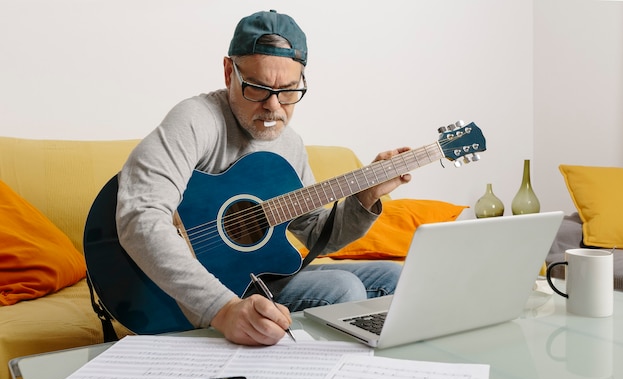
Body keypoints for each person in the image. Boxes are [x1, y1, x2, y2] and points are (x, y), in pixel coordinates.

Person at [116, 10, 411, 346]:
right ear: (229, 72)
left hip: (254, 275)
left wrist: (364, 198)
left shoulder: (290, 143)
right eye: (257, 88)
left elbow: (316, 234)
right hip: (183, 293)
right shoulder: (196, 120)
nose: (274, 106)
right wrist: (222, 308)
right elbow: (139, 217)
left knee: (393, 276)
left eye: (288, 91)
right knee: (344, 289)